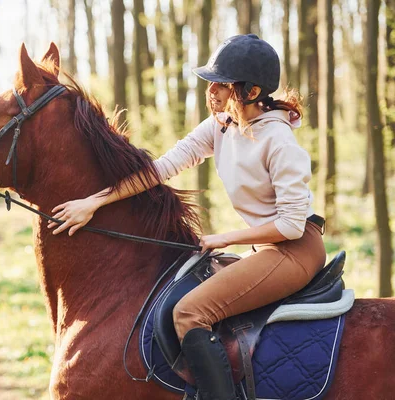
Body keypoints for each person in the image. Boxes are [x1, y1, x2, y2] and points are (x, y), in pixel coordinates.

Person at [47, 34, 326, 400]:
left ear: (251, 90)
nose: (212, 91)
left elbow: (290, 226)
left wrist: (220, 238)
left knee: (189, 313)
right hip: (266, 249)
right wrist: (95, 202)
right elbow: (161, 168)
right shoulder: (222, 126)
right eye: (211, 82)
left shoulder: (280, 143)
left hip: (295, 250)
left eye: (221, 84)